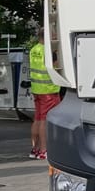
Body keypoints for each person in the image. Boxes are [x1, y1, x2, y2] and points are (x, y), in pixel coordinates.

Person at [27, 27, 61, 160]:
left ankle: (35, 149)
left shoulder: (34, 49)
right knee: (44, 121)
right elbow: (57, 67)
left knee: (37, 119)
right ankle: (44, 150)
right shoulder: (48, 51)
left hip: (37, 89)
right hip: (49, 89)